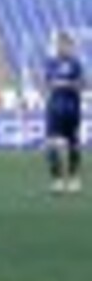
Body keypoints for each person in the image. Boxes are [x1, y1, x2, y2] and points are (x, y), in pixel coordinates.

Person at [44, 32, 84, 195]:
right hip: (54, 108)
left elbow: (82, 84)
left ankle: (74, 179)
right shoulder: (51, 63)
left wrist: (64, 84)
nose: (64, 47)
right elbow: (46, 84)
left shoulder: (76, 64)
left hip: (72, 108)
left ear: (71, 46)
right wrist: (59, 84)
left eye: (67, 44)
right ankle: (57, 180)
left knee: (73, 143)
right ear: (57, 46)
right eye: (61, 44)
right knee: (52, 143)